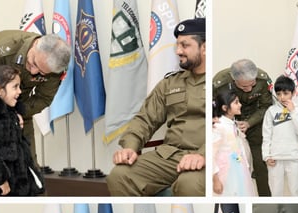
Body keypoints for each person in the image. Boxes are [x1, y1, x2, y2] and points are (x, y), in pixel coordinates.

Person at [106, 18, 206, 196]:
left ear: (204, 47)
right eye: (177, 45)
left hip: (206, 156)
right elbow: (145, 118)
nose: (178, 51)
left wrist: (203, 154)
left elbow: (227, 126)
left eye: (185, 45)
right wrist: (130, 146)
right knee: (120, 175)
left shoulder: (219, 83)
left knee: (189, 183)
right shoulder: (170, 83)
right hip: (170, 156)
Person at [0, 30, 70, 165]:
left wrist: (17, 112)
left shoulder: (56, 68)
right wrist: (2, 114)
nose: (33, 72)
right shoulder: (1, 48)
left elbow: (43, 97)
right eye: (34, 63)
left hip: (20, 110)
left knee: (29, 168)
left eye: (42, 73)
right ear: (35, 44)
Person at [213, 59, 273, 196]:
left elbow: (266, 106)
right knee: (234, 166)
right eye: (244, 87)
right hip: (229, 126)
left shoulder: (263, 79)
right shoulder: (219, 83)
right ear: (234, 80)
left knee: (260, 165)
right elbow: (210, 107)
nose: (250, 89)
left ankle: (265, 199)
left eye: (252, 85)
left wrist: (249, 123)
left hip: (255, 122)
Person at [0, 64, 44, 196]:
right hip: (3, 189)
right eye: (15, 87)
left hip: (20, 184)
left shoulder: (12, 115)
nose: (19, 91)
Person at [262, 75, 298, 196]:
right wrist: (266, 156)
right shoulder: (271, 111)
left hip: (293, 156)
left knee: (296, 190)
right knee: (276, 191)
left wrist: (293, 112)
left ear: (292, 93)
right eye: (278, 94)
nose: (282, 97)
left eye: (285, 93)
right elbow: (266, 135)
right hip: (275, 157)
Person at [212, 86, 256, 196]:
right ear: (225, 107)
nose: (240, 104)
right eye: (236, 102)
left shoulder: (232, 123)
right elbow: (211, 155)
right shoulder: (218, 126)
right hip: (226, 171)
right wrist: (215, 180)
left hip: (238, 166)